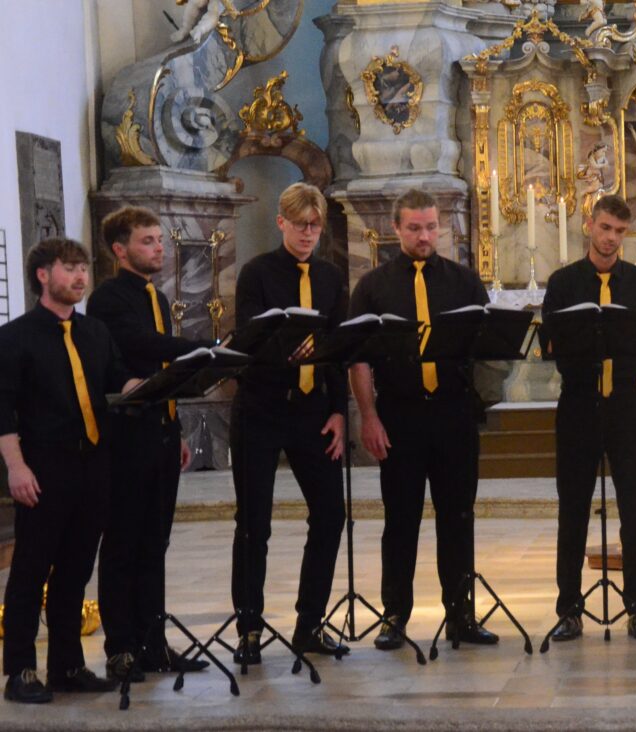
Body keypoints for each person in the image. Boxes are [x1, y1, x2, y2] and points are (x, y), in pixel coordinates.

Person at [348, 189, 498, 650]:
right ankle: (395, 614)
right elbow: (357, 358)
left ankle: (461, 614)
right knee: (401, 520)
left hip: (453, 414)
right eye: (414, 228)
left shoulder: (464, 281)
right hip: (400, 415)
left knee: (458, 517)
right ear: (396, 229)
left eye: (432, 227)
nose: (424, 236)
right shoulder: (373, 286)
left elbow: (488, 345)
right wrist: (369, 416)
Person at [0, 238, 140, 703]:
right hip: (45, 465)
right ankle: (20, 671)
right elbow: (2, 413)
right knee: (30, 570)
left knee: (77, 571)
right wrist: (16, 469)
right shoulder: (15, 337)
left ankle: (67, 665)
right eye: (69, 268)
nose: (80, 277)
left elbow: (116, 381)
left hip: (94, 465)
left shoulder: (95, 331)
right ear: (43, 275)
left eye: (83, 268)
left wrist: (148, 384)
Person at [90, 207, 213, 681]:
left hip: (159, 435)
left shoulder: (157, 298)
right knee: (123, 542)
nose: (158, 248)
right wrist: (203, 350)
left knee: (155, 544)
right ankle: (121, 647)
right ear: (120, 250)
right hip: (127, 440)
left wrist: (175, 429)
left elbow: (162, 376)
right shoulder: (107, 300)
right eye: (147, 241)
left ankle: (153, 644)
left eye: (159, 240)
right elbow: (141, 347)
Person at [229, 182, 349, 664]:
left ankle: (309, 624)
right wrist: (288, 351)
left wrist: (340, 411)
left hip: (312, 413)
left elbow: (338, 351)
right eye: (300, 224)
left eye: (315, 225)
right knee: (253, 522)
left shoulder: (331, 277)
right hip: (261, 409)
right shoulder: (256, 273)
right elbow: (248, 342)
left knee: (331, 514)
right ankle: (249, 629)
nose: (308, 233)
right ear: (281, 222)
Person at [542, 194, 636, 642]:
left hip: (626, 406)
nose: (611, 238)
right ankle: (569, 610)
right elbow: (550, 346)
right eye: (605, 228)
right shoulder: (563, 282)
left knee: (635, 511)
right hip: (578, 403)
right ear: (589, 225)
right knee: (572, 509)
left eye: (619, 231)